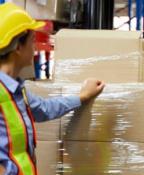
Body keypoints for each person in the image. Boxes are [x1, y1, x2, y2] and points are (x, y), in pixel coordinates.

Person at [0, 2, 105, 175]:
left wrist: (82, 97)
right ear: (18, 47)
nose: (35, 49)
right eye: (32, 42)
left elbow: (44, 109)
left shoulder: (18, 90)